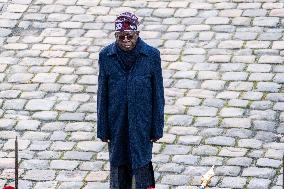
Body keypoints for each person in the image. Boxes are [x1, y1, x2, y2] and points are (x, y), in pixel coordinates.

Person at [96, 12, 165, 189]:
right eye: (121, 36)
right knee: (118, 170)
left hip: (141, 125)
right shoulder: (106, 56)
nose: (126, 40)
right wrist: (102, 129)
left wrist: (157, 128)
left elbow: (158, 95)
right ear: (115, 36)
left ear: (137, 35)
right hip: (116, 125)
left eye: (130, 36)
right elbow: (102, 94)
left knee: (142, 168)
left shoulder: (151, 56)